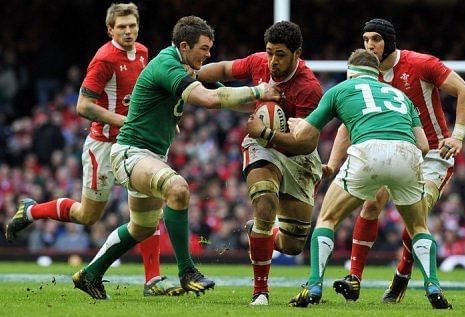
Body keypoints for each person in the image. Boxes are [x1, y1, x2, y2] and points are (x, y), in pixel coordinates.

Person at [69, 15, 280, 300]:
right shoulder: (167, 63)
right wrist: (257, 90)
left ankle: (90, 274)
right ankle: (187, 271)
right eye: (204, 48)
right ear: (184, 45)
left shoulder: (187, 67)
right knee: (177, 189)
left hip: (150, 154)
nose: (209, 55)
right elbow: (208, 100)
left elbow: (223, 96)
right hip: (130, 152)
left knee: (141, 227)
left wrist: (266, 104)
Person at [247, 49, 451, 309]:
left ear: (351, 71)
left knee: (327, 219)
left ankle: (313, 285)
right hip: (407, 153)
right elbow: (423, 145)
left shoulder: (340, 90)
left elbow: (305, 135)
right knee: (419, 227)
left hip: (368, 150)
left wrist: (272, 130)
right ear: (376, 74)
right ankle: (432, 283)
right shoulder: (401, 96)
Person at [5, 3, 180, 297]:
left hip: (136, 143)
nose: (128, 31)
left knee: (151, 204)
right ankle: (32, 210)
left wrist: (162, 118)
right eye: (121, 27)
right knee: (88, 215)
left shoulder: (143, 53)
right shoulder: (103, 59)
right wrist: (127, 121)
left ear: (138, 26)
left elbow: (145, 92)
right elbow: (82, 106)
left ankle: (152, 280)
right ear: (110, 29)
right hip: (103, 145)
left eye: (132, 25)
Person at [329, 18, 465, 304]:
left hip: (433, 154)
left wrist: (457, 136)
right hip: (393, 150)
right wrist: (332, 163)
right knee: (372, 203)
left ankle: (401, 278)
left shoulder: (421, 64)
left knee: (416, 216)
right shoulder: (364, 77)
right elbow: (346, 124)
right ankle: (354, 278)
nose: (369, 45)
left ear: (389, 41)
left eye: (375, 39)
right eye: (365, 39)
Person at [197, 20, 323, 305]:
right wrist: (189, 71)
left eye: (280, 54)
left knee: (292, 245)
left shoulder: (309, 88)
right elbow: (226, 69)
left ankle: (261, 233)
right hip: (259, 145)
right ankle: (260, 292)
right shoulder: (259, 63)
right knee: (264, 200)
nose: (273, 60)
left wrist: (266, 132)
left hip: (296, 154)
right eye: (269, 52)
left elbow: (306, 143)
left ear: (296, 53)